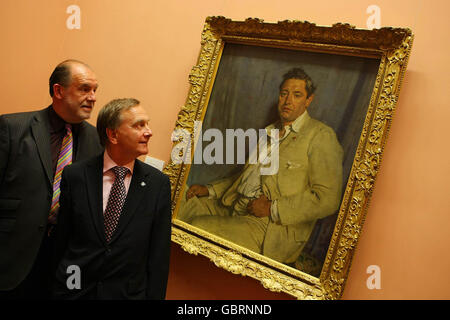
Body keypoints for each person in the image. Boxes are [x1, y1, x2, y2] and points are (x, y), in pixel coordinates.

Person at [178, 68, 344, 265]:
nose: (288, 101)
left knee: (197, 227)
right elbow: (247, 176)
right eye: (284, 94)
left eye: (297, 95)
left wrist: (273, 208)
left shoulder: (320, 136)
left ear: (309, 100)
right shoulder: (271, 130)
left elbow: (328, 198)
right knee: (179, 201)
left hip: (271, 227)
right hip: (235, 205)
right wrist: (211, 190)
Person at [0, 60, 103, 299]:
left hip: (59, 264)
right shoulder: (12, 128)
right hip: (11, 254)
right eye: (85, 89)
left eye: (95, 90)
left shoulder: (96, 142)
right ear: (58, 91)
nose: (93, 97)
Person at [53, 98, 172, 300]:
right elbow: (61, 239)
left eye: (147, 124)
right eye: (139, 125)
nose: (149, 131)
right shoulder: (76, 176)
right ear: (113, 134)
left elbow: (159, 257)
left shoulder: (158, 185)